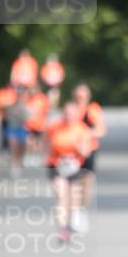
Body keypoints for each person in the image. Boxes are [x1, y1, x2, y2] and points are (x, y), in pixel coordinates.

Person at [45, 103, 93, 241]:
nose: (69, 117)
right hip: (56, 165)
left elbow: (87, 151)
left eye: (72, 114)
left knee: (72, 198)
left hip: (75, 167)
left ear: (76, 115)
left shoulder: (81, 129)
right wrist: (45, 155)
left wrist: (78, 149)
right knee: (61, 196)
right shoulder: (54, 127)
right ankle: (62, 228)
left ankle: (71, 224)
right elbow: (45, 141)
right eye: (66, 114)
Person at [72, 84, 106, 214]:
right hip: (72, 151)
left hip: (89, 149)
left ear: (88, 97)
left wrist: (86, 134)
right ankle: (74, 209)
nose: (80, 98)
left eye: (83, 96)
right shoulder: (70, 110)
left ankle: (82, 208)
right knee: (73, 180)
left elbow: (101, 130)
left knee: (86, 180)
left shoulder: (92, 110)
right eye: (78, 96)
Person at [4, 86, 32, 177]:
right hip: (12, 128)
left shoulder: (26, 106)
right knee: (13, 147)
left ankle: (19, 162)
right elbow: (7, 117)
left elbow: (27, 119)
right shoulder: (10, 106)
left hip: (22, 129)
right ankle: (14, 165)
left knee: (21, 148)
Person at [25, 86, 50, 166]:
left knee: (38, 143)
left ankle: (35, 157)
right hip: (29, 124)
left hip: (39, 124)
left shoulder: (42, 99)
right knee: (29, 142)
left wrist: (45, 123)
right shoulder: (27, 98)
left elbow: (46, 112)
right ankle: (28, 156)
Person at [0, 84, 16, 152]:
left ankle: (10, 147)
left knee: (11, 132)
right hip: (4, 116)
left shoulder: (13, 93)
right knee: (3, 132)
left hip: (12, 117)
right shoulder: (1, 93)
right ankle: (4, 146)